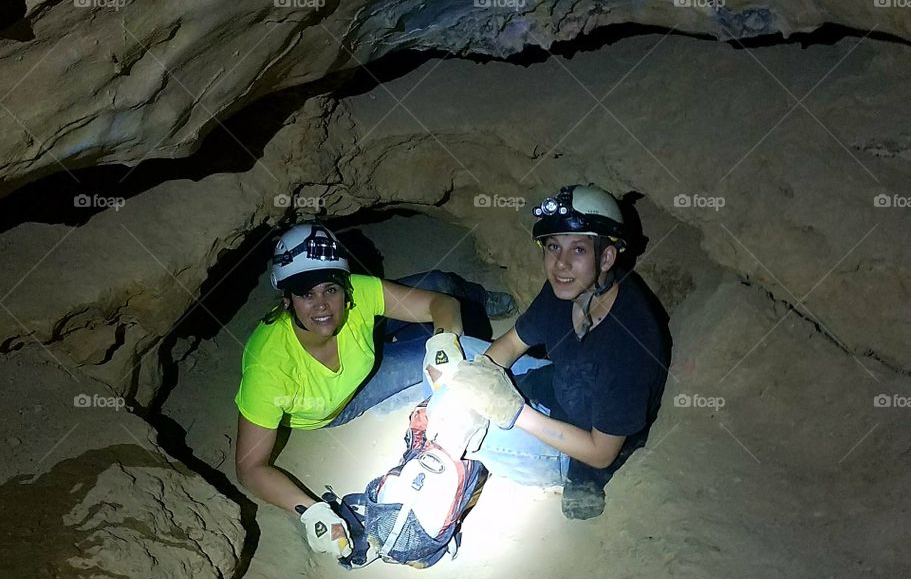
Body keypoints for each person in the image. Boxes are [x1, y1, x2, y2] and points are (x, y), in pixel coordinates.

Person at [233, 222, 512, 553]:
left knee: (442, 288)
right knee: (469, 354)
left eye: (330, 289)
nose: (321, 304)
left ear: (345, 287)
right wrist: (312, 511)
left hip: (364, 342)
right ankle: (396, 382)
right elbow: (250, 467)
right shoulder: (268, 364)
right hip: (347, 398)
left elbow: (441, 303)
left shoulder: (357, 293)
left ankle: (476, 301)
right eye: (307, 294)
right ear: (287, 299)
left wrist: (444, 341)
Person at [438, 184, 672, 520]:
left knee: (459, 422)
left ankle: (538, 473)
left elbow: (601, 453)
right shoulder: (566, 289)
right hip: (561, 388)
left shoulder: (631, 343)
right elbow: (510, 345)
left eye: (578, 250)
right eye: (552, 247)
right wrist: (482, 375)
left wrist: (512, 412)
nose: (560, 264)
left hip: (583, 447)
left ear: (607, 257)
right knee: (458, 360)